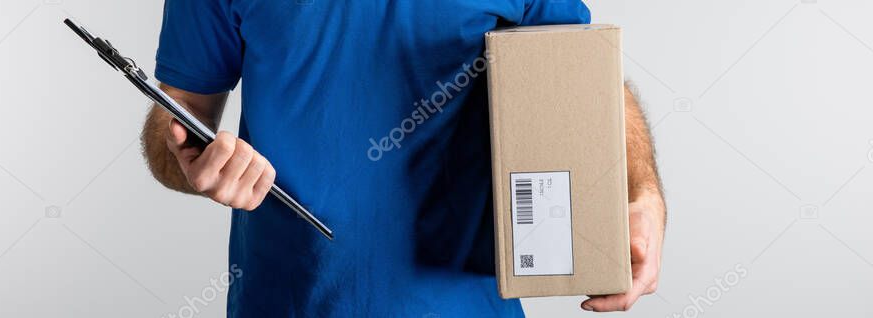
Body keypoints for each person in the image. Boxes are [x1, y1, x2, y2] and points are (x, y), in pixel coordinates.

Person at [141, 0, 666, 316]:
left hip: (468, 306)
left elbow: (579, 75)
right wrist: (191, 160)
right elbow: (178, 117)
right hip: (286, 304)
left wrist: (642, 192)